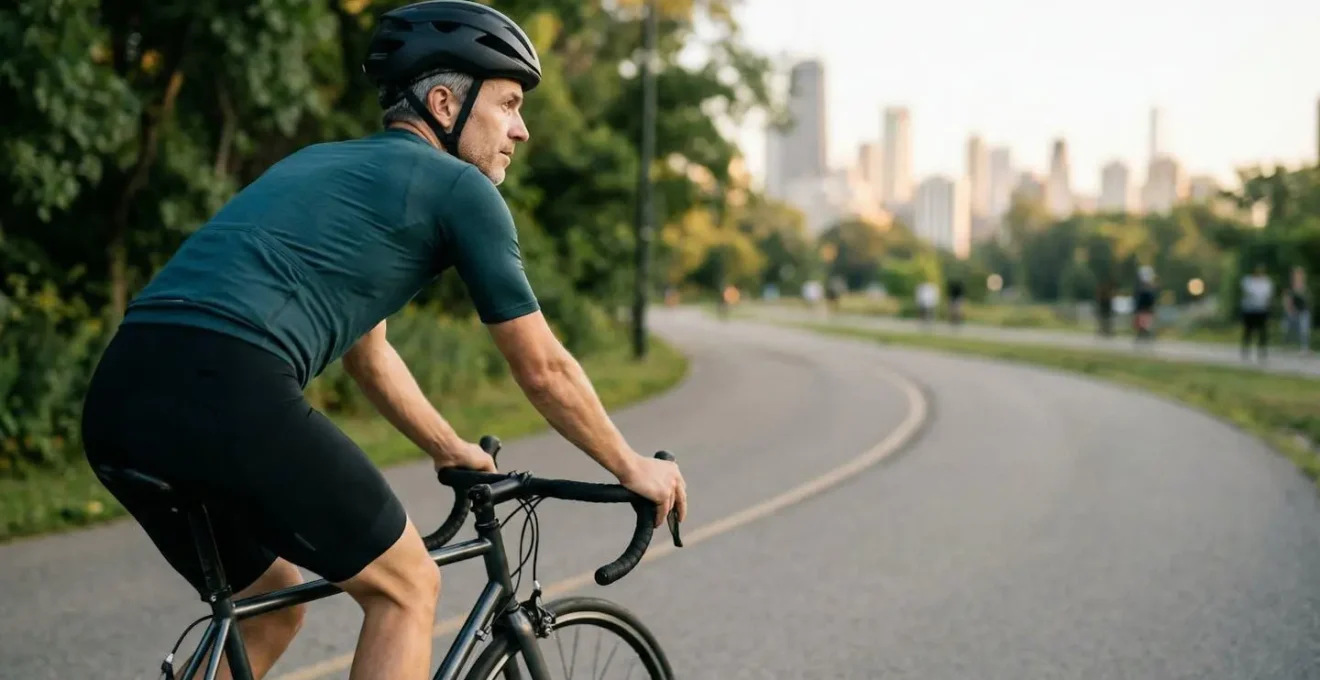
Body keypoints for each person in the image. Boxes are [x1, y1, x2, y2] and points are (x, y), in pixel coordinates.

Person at [78, 3, 687, 679]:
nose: (521, 128)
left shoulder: (322, 165)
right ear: (445, 102)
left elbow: (368, 353)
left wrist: (449, 447)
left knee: (269, 606)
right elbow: (542, 367)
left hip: (118, 398)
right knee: (407, 587)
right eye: (509, 104)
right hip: (228, 384)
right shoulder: (461, 189)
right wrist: (631, 466)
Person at [1239, 263, 1274, 362]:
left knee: (1263, 332)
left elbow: (1268, 295)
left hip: (1262, 310)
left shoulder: (1267, 282)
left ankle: (1262, 351)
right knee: (1248, 331)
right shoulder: (1248, 281)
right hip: (1250, 310)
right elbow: (1248, 293)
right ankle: (1246, 350)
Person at [1283, 266, 1311, 354]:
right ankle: (1288, 344)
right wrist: (1289, 309)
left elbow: (1307, 300)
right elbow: (1287, 300)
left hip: (1303, 311)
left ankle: (1304, 347)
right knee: (1288, 329)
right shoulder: (1290, 288)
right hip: (1293, 312)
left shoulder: (1305, 287)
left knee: (1304, 330)